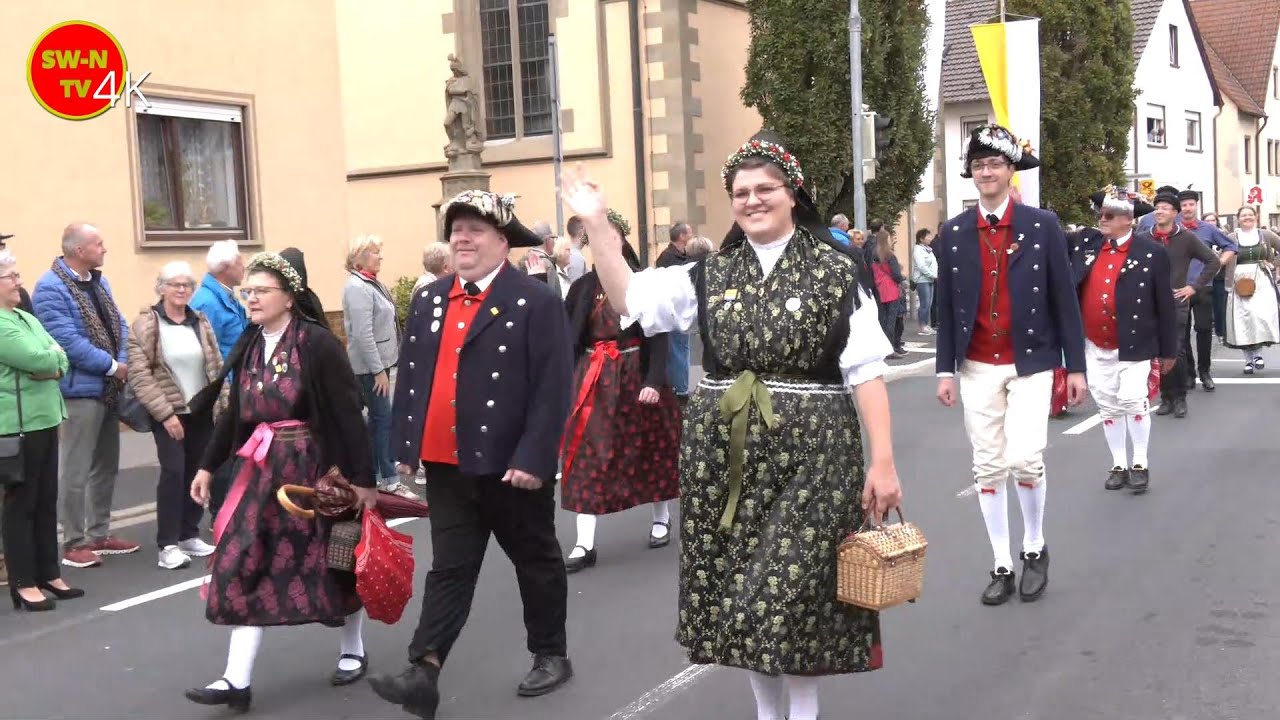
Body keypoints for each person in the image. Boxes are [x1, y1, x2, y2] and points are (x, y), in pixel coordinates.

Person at [561, 129, 904, 720]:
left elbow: (866, 369)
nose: (751, 199)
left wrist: (883, 461)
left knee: (792, 600)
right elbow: (627, 299)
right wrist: (597, 227)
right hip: (725, 460)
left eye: (764, 188)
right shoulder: (709, 273)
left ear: (792, 193)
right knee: (742, 600)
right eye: (740, 191)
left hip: (815, 460)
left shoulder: (835, 270)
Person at [371, 190, 574, 720]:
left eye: (475, 230)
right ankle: (424, 670)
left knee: (535, 560)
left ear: (502, 242)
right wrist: (405, 446)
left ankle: (550, 652)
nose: (461, 238)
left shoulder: (535, 300)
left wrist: (536, 457)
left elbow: (553, 388)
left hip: (510, 464)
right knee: (451, 569)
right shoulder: (430, 297)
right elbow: (413, 372)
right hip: (445, 461)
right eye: (456, 229)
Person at [184, 252, 378, 712]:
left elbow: (349, 415)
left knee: (335, 560)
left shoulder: (316, 345)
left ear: (288, 298)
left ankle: (353, 648)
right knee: (243, 562)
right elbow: (235, 415)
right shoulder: (251, 344)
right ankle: (236, 680)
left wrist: (363, 481)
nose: (251, 298)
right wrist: (208, 467)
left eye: (261, 291)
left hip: (314, 473)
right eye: (246, 291)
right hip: (262, 474)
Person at [935, 124, 1086, 606]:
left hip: (1032, 361)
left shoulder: (1042, 225)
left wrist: (1076, 367)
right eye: (978, 165)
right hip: (976, 364)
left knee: (1025, 457)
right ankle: (1002, 561)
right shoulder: (954, 232)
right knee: (987, 466)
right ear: (971, 174)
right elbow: (947, 307)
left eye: (995, 163)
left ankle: (1034, 547)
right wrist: (944, 370)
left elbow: (1065, 298)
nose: (986, 172)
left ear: (1009, 170)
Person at [559, 210, 681, 572]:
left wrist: (654, 382)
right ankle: (584, 542)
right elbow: (568, 339)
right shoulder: (582, 288)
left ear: (622, 240)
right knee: (585, 455)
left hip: (636, 378)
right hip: (594, 379)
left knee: (651, 450)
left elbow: (659, 338)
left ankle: (661, 518)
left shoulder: (643, 283)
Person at [32, 223, 138, 569]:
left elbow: (120, 325)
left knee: (106, 465)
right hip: (80, 390)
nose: (104, 249)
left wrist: (121, 362)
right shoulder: (50, 288)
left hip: (108, 387)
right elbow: (66, 341)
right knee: (76, 469)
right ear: (79, 250)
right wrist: (111, 366)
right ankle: (74, 542)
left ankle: (100, 533)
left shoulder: (99, 281)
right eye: (99, 244)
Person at [1070, 190, 1177, 493]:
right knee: (1107, 405)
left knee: (1132, 399)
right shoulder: (1087, 245)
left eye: (1109, 215)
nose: (1101, 220)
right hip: (1094, 342)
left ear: (1129, 220)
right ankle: (1119, 463)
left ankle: (1140, 462)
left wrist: (1169, 349)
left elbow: (1164, 305)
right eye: (1100, 214)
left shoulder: (1151, 252)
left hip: (1135, 341)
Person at [0, 250, 83, 611]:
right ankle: (22, 581)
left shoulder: (22, 317)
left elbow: (58, 354)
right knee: (22, 505)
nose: (19, 281)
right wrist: (50, 360)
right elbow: (38, 359)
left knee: (46, 501)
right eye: (11, 276)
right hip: (17, 426)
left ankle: (49, 571)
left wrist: (52, 360)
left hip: (46, 419)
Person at [126, 261, 222, 569]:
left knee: (199, 473)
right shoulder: (147, 323)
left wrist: (223, 405)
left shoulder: (200, 321)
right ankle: (167, 544)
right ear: (161, 288)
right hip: (169, 413)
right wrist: (166, 415)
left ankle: (188, 534)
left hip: (201, 412)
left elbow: (216, 366)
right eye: (174, 284)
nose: (181, 290)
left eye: (187, 285)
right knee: (173, 473)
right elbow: (140, 375)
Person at [342, 235, 414, 497]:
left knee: (378, 421)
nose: (380, 256)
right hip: (369, 368)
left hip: (379, 364)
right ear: (360, 256)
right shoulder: (357, 288)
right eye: (375, 252)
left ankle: (374, 474)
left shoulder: (370, 283)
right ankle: (390, 479)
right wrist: (378, 370)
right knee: (382, 420)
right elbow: (362, 334)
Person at [1144, 188, 1221, 419]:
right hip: (1150, 303)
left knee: (1175, 350)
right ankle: (1165, 397)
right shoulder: (1145, 237)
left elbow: (1212, 261)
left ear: (1175, 213)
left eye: (1164, 208)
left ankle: (1179, 398)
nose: (1159, 212)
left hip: (1176, 301)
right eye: (1157, 208)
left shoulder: (1186, 237)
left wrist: (1193, 286)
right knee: (1158, 351)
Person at [1175, 190, 1236, 390]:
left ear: (1196, 206)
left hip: (1202, 286)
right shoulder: (1173, 228)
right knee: (1182, 334)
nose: (1187, 208)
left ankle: (1205, 372)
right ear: (1179, 208)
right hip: (1179, 288)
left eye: (1191, 204)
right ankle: (1189, 374)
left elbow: (1231, 246)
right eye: (1184, 205)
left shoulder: (1207, 229)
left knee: (1202, 330)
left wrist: (1218, 263)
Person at [1224, 206, 1280, 371]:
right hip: (1238, 279)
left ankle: (1258, 355)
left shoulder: (1266, 235)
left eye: (1250, 215)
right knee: (1243, 318)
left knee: (1258, 316)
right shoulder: (1231, 237)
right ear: (1238, 218)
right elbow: (1221, 255)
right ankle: (1248, 360)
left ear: (1255, 217)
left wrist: (1274, 264)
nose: (1247, 217)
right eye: (1243, 215)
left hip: (1261, 278)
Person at [191, 240, 248, 359]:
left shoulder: (226, 296)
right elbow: (205, 354)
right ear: (225, 267)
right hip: (225, 376)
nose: (244, 267)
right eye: (239, 263)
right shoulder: (207, 303)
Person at [912, 228, 937, 335]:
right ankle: (922, 326)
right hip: (922, 280)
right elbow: (922, 266)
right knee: (925, 303)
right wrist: (933, 275)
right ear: (921, 239)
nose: (930, 238)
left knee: (929, 303)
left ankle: (926, 325)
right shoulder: (918, 250)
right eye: (928, 236)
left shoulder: (928, 249)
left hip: (930, 279)